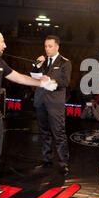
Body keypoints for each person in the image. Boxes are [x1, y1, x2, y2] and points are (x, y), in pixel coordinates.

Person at [0, 30, 57, 198]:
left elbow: (18, 77)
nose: (5, 45)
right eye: (2, 41)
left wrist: (42, 83)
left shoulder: (0, 62)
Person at [32, 35, 72, 176]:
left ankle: (63, 163)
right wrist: (36, 66)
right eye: (45, 46)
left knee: (59, 133)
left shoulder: (65, 63)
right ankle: (47, 159)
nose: (47, 49)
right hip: (40, 101)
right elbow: (34, 77)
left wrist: (50, 79)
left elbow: (65, 82)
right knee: (43, 132)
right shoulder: (42, 61)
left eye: (50, 46)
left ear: (57, 46)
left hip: (55, 104)